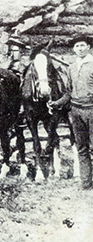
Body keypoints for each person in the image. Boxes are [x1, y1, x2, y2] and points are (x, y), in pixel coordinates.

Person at [51, 35, 93, 189]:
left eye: (82, 45)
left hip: (91, 110)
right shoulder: (72, 67)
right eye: (77, 46)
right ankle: (86, 183)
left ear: (88, 47)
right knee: (82, 148)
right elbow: (68, 92)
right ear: (74, 49)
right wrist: (56, 103)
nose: (80, 49)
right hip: (75, 111)